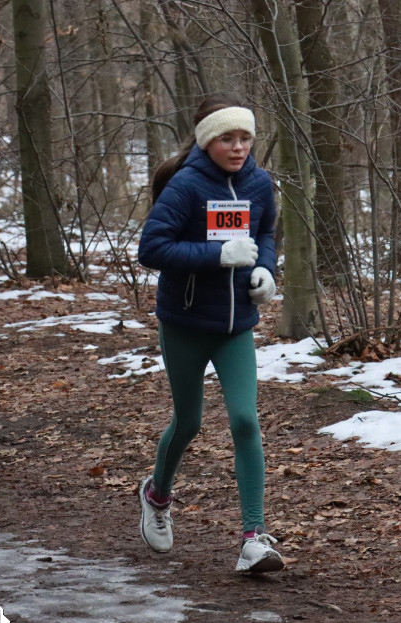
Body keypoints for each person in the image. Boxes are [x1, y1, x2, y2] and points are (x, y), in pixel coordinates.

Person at [136, 93, 283, 573]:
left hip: (235, 326)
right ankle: (157, 495)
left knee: (245, 420)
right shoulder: (185, 187)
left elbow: (264, 234)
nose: (238, 147)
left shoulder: (260, 184)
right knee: (190, 422)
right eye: (227, 138)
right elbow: (152, 248)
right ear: (207, 140)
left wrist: (264, 269)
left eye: (245, 138)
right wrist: (215, 256)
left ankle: (254, 538)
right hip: (185, 322)